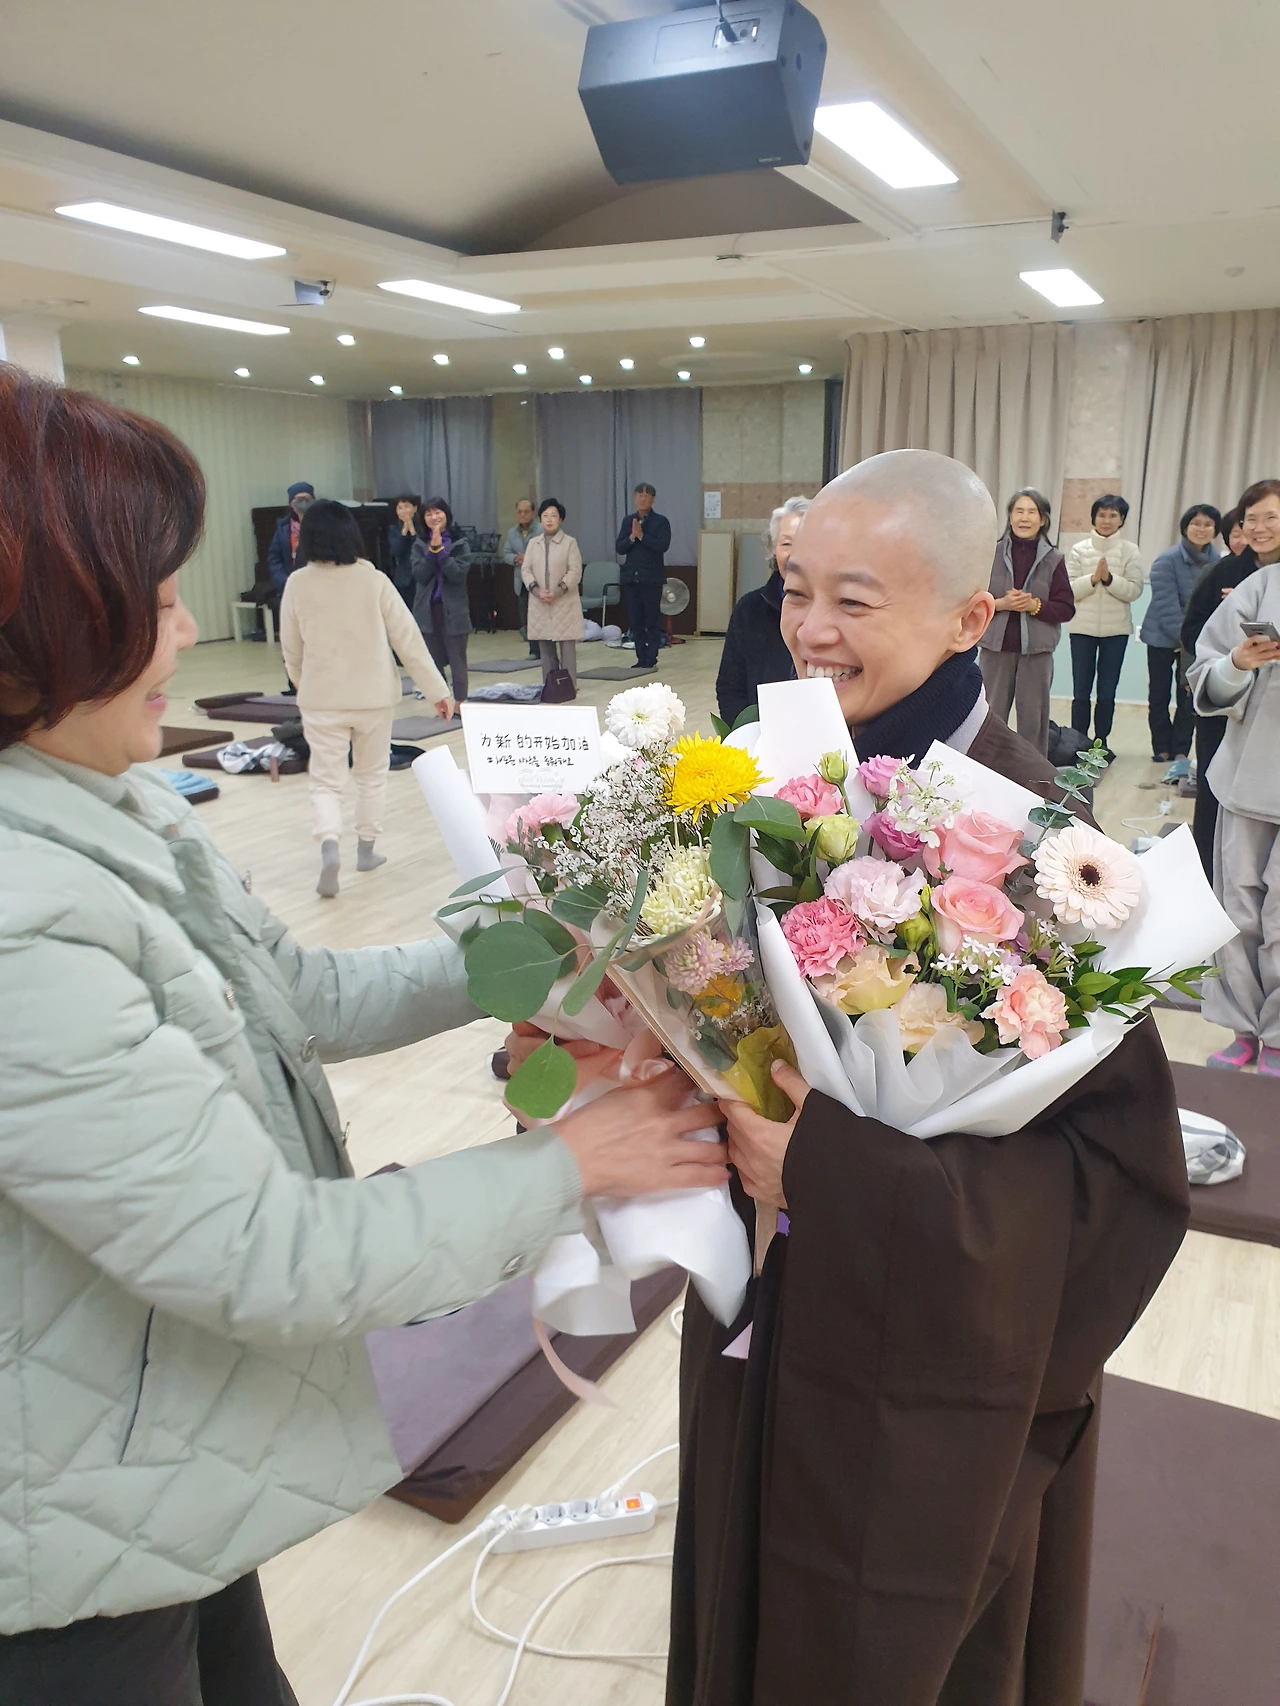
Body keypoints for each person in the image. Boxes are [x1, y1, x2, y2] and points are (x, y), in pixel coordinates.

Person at [0, 364, 729, 1705]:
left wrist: (545, 940)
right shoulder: (21, 916)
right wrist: (576, 1163)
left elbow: (303, 996)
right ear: (44, 618)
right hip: (55, 1529)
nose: (187, 633)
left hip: (152, 1450)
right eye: (156, 600)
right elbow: (259, 1249)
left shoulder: (113, 800)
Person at [667, 449, 1188, 1706]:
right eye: (796, 591)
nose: (809, 629)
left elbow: (1116, 1192)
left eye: (853, 600)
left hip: (919, 1395)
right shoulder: (772, 779)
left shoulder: (1036, 844)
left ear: (966, 619)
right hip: (764, 1304)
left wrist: (830, 1171)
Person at [281, 499, 454, 897]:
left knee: (325, 781)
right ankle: (365, 850)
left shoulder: (297, 584)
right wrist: (438, 692)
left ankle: (329, 845)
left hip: (321, 698)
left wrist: (305, 684)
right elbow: (407, 640)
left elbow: (291, 649)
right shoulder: (372, 579)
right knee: (371, 775)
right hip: (373, 698)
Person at [1187, 478, 1280, 1075]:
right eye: (1252, 518)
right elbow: (1204, 673)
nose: (1260, 527)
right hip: (1247, 780)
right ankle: (1244, 1027)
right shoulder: (1255, 588)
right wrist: (1237, 663)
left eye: (1271, 516)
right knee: (1239, 908)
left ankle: (1279, 1036)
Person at [1181, 506, 1258, 876]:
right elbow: (1192, 634)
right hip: (1221, 700)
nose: (1250, 536)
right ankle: (1204, 873)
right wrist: (1226, 616)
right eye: (1242, 528)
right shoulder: (1220, 573)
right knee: (1212, 787)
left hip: (1265, 709)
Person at [977, 487, 1074, 756]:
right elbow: (971, 599)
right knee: (989, 718)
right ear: (1009, 516)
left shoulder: (1054, 560)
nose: (1024, 518)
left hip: (1037, 654)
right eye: (1019, 511)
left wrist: (1034, 606)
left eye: (1032, 512)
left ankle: (1032, 775)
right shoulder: (990, 554)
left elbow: (1066, 608)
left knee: (1034, 722)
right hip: (995, 650)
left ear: (1043, 520)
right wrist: (1001, 604)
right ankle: (986, 770)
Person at [715, 497, 809, 727]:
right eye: (786, 544)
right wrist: (748, 735)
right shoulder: (750, 609)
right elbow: (730, 687)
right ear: (773, 550)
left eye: (806, 542)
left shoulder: (840, 610)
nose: (795, 554)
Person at [1065, 492, 1144, 757]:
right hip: (1082, 630)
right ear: (1094, 518)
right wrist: (1093, 579)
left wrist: (1109, 579)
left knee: (1107, 692)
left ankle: (1101, 743)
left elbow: (1134, 590)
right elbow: (1068, 590)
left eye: (1113, 515)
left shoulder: (1130, 551)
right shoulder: (1079, 550)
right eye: (1102, 515)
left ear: (1122, 520)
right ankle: (1078, 742)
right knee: (1080, 692)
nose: (1107, 520)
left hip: (1116, 632)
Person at [1140, 503, 1221, 762]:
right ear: (1185, 527)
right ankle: (1161, 746)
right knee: (1159, 694)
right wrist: (1186, 639)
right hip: (1162, 637)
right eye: (1196, 523)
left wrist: (1197, 641)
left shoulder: (1218, 562)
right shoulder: (1166, 560)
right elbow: (1166, 606)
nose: (1201, 529)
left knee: (1188, 694)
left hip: (1195, 640)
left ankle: (1181, 749)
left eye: (1208, 525)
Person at [410, 495, 471, 708]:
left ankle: (460, 703)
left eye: (438, 512)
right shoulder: (419, 545)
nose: (434, 517)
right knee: (433, 661)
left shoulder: (460, 543)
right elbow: (420, 574)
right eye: (429, 513)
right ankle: (442, 702)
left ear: (446, 515)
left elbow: (457, 574)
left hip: (453, 610)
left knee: (457, 660)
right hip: (427, 611)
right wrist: (431, 551)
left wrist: (441, 553)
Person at [523, 497, 584, 694]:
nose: (549, 520)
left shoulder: (570, 543)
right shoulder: (533, 543)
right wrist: (536, 590)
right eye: (545, 516)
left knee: (567, 647)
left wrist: (557, 591)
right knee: (545, 645)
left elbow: (575, 571)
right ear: (540, 519)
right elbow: (526, 569)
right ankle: (550, 685)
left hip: (564, 601)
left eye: (554, 516)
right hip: (540, 601)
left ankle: (569, 686)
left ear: (561, 519)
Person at [617, 481, 671, 673]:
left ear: (653, 499)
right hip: (632, 578)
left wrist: (642, 536)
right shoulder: (628, 521)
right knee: (635, 620)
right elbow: (620, 547)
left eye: (646, 496)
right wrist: (632, 537)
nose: (642, 499)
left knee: (652, 620)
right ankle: (640, 657)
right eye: (639, 495)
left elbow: (662, 546)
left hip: (651, 578)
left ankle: (651, 658)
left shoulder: (661, 522)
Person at [503, 496, 542, 658]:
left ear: (533, 513)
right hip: (521, 580)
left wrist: (528, 558)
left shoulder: (541, 530)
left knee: (540, 617)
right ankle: (533, 650)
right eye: (519, 512)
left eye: (526, 512)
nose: (522, 515)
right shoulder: (512, 532)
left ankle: (544, 650)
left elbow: (546, 553)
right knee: (525, 616)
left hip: (539, 581)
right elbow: (506, 553)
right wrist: (515, 559)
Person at [266, 480, 315, 605]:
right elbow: (274, 559)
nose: (303, 503)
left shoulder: (322, 525)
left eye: (307, 499)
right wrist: (285, 582)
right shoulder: (283, 528)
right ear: (291, 504)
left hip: (316, 586)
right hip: (289, 587)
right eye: (298, 499)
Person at [384, 493, 421, 603]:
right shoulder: (393, 529)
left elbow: (421, 549)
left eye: (406, 506)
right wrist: (404, 531)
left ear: (415, 508)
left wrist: (412, 530)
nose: (403, 511)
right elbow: (395, 551)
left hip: (421, 578)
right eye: (399, 508)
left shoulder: (423, 527)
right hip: (403, 578)